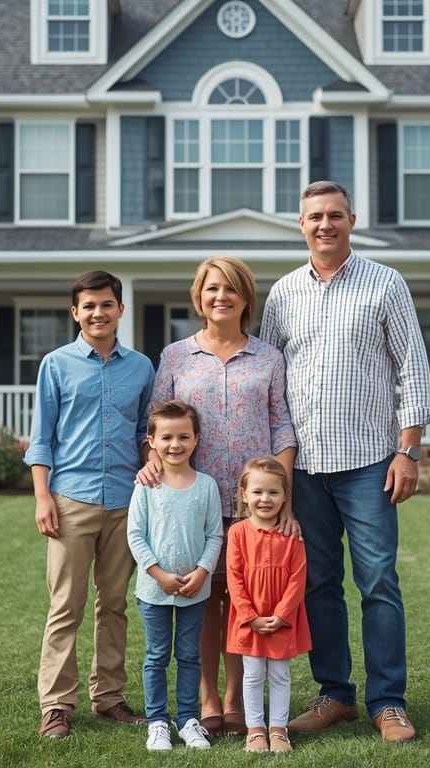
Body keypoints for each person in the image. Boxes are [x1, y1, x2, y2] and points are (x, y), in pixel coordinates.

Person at [258, 180, 430, 744]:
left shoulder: (385, 284)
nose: (325, 224)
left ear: (352, 220)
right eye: (315, 216)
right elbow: (270, 380)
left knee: (379, 580)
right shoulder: (283, 294)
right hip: (304, 467)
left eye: (335, 215)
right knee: (319, 583)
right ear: (301, 224)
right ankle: (335, 694)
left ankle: (389, 703)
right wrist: (275, 472)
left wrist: (407, 450)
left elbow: (413, 369)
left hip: (369, 462)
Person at [137, 255, 297, 737]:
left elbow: (282, 427)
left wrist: (282, 499)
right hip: (194, 501)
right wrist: (151, 464)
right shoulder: (176, 356)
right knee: (203, 599)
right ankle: (206, 698)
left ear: (246, 297)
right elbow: (155, 420)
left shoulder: (268, 357)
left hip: (254, 504)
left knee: (243, 598)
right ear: (198, 296)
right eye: (211, 289)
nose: (220, 297)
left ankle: (235, 700)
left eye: (230, 289)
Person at [25, 269, 156, 739]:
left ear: (120, 309)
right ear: (75, 313)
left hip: (126, 501)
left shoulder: (142, 367)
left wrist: (152, 460)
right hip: (70, 501)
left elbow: (147, 430)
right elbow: (41, 438)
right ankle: (57, 705)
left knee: (115, 604)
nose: (98, 313)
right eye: (89, 306)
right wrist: (43, 497)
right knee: (66, 605)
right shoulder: (56, 365)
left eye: (107, 304)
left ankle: (109, 698)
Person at [126, 399, 224, 751]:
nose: (175, 444)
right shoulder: (146, 487)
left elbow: (215, 535)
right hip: (154, 590)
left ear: (196, 439)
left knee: (189, 654)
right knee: (156, 655)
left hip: (195, 590)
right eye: (166, 437)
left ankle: (187, 720)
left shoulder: (207, 486)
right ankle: (157, 722)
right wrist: (157, 574)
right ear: (151, 441)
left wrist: (202, 572)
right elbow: (135, 535)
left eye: (183, 436)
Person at [226, 457, 310, 754]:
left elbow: (298, 579)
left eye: (273, 492)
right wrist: (249, 616)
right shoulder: (237, 533)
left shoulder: (292, 535)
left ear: (285, 496)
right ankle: (255, 729)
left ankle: (278, 729)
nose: (265, 499)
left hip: (280, 620)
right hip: (249, 621)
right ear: (243, 495)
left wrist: (282, 615)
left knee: (279, 674)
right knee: (251, 674)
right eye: (258, 492)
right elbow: (234, 578)